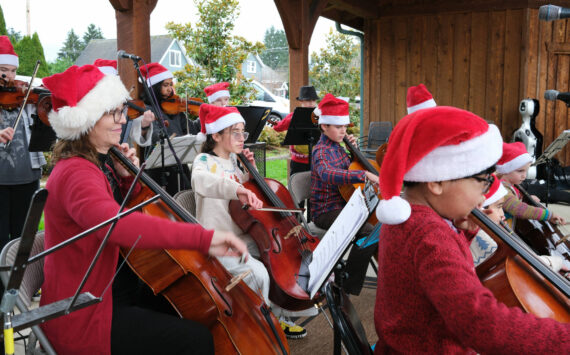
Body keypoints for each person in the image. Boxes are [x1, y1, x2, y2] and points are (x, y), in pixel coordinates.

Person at [40, 64, 249, 354]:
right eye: (113, 112)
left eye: (121, 111)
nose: (122, 120)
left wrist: (126, 182)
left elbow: (122, 210)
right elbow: (118, 226)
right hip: (86, 311)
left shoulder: (95, 164)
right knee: (197, 340)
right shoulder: (77, 172)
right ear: (86, 121)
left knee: (194, 311)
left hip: (112, 288)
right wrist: (203, 238)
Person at [374, 105, 570, 353]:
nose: (484, 195)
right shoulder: (430, 235)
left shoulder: (409, 217)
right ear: (437, 181)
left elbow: (434, 277)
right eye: (483, 181)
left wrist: (463, 233)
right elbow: (482, 324)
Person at [191, 103, 310, 339]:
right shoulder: (203, 161)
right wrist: (236, 188)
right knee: (260, 274)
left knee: (283, 259)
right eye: (235, 132)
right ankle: (259, 325)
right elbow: (202, 181)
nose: (241, 138)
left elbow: (247, 194)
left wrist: (250, 171)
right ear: (216, 135)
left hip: (246, 236)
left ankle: (278, 312)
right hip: (220, 241)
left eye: (242, 132)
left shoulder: (235, 161)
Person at [310, 93, 379, 295]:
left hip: (346, 205)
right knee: (367, 231)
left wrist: (354, 151)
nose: (343, 131)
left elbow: (348, 167)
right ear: (324, 126)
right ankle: (348, 283)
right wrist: (364, 174)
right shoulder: (321, 150)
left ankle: (386, 275)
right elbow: (328, 174)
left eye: (344, 127)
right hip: (326, 211)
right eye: (338, 127)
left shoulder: (339, 148)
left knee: (379, 227)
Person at [0, 35, 46, 251]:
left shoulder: (24, 96)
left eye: (12, 71)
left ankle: (20, 284)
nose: (9, 77)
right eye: (3, 70)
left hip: (27, 177)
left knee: (23, 238)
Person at [470, 173, 568, 271]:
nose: (502, 214)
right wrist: (555, 262)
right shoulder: (483, 238)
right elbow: (521, 265)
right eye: (499, 206)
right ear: (482, 208)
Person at [140, 62, 200, 195]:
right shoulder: (147, 110)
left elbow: (192, 129)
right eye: (165, 85)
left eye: (170, 85)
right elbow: (155, 137)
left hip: (179, 167)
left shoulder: (176, 109)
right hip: (159, 171)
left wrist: (205, 115)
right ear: (155, 87)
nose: (170, 89)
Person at [497, 142, 566, 225]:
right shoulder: (502, 190)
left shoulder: (511, 185)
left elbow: (511, 203)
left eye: (526, 171)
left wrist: (525, 200)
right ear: (505, 170)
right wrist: (548, 215)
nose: (524, 176)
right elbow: (517, 209)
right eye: (520, 171)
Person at [93, 58, 156, 148]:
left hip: (122, 151)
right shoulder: (90, 105)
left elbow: (135, 131)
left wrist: (144, 125)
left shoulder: (125, 102)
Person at [272, 85, 319, 176]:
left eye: (313, 100)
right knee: (296, 186)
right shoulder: (293, 115)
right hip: (298, 161)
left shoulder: (319, 116)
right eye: (308, 100)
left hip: (316, 160)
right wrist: (293, 119)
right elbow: (278, 128)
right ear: (301, 101)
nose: (312, 103)